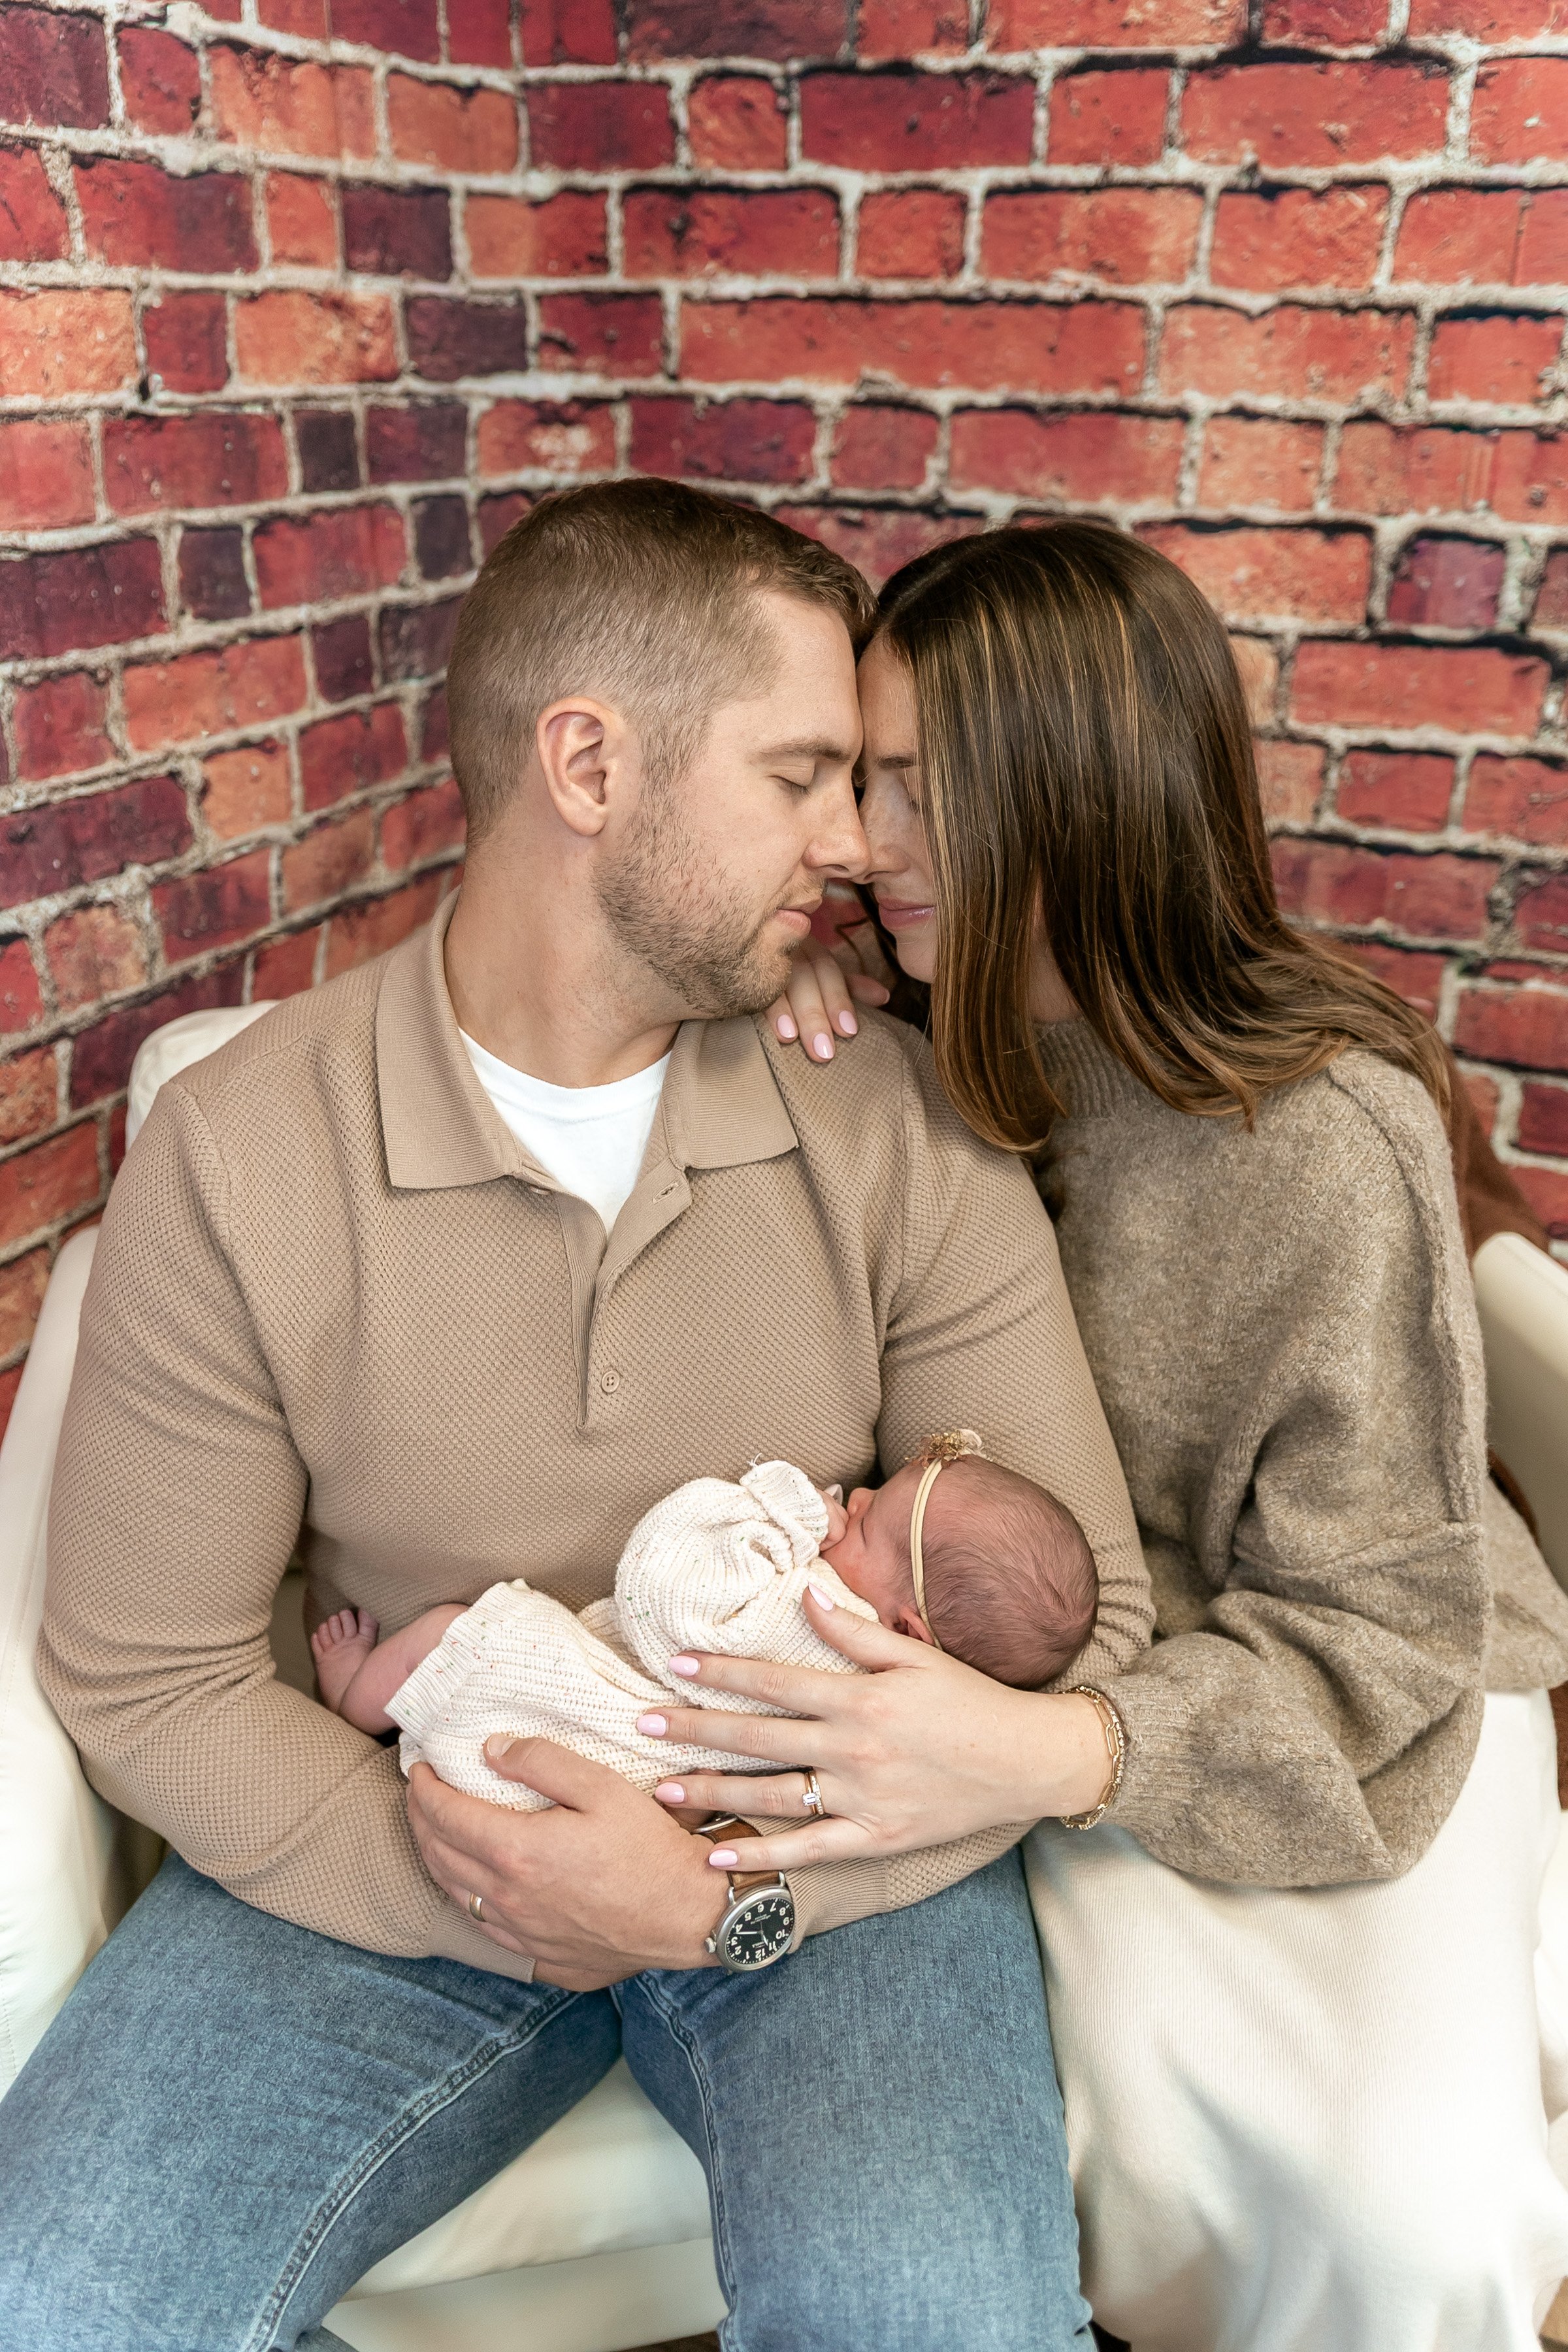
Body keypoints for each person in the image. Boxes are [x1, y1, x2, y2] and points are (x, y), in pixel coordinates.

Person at [0, 482, 1153, 2352]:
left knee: (926, 2318)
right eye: (799, 779)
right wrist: (504, 1874)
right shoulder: (242, 1151)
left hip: (829, 1853)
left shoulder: (891, 1116)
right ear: (592, 766)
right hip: (408, 1817)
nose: (859, 844)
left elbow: (1079, 1615)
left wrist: (710, 1897)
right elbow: (151, 1672)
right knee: (55, 2299)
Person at [638, 520, 1568, 2351]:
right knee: (1128, 2117)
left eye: (907, 788)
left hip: (1336, 1698)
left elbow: (1379, 1630)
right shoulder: (895, 1028)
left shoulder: (1316, 1136)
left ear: (1066, 790)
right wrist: (795, 1016)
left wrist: (1056, 1750)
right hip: (1034, 1689)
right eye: (842, 780)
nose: (853, 843)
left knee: (1392, 2213)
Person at [311, 1443, 1098, 1797]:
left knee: (461, 1626)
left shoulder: (825, 1629)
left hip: (567, 1715)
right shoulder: (892, 1687)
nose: (850, 1499)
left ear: (907, 1629)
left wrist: (780, 1512)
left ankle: (355, 1696)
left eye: (865, 1524)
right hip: (617, 1774)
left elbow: (665, 1590)